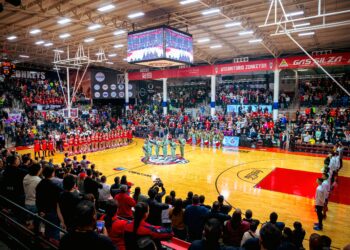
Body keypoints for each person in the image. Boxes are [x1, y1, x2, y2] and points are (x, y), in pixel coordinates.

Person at [36, 166, 63, 241]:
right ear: (52, 173)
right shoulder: (54, 186)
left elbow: (38, 199)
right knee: (54, 232)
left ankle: (47, 241)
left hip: (42, 210)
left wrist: (40, 210)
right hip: (52, 211)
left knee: (47, 229)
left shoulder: (40, 184)